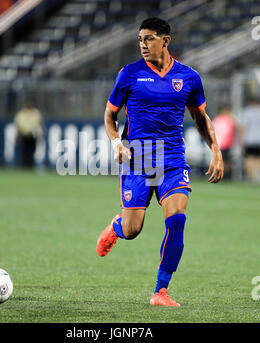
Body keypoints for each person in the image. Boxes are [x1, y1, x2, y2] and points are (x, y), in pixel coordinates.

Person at [96, 17, 224, 307]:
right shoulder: (128, 74)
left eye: (149, 38)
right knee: (133, 230)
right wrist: (117, 142)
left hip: (172, 159)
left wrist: (215, 150)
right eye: (140, 39)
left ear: (166, 41)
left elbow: (200, 117)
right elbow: (109, 115)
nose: (143, 44)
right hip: (137, 159)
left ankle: (160, 291)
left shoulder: (189, 77)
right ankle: (117, 227)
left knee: (177, 219)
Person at [14, 102, 44, 168]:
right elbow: (18, 125)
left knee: (32, 151)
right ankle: (24, 165)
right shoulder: (21, 113)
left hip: (33, 135)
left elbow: (39, 124)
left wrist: (40, 135)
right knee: (24, 151)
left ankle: (30, 165)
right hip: (24, 135)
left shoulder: (36, 113)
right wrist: (18, 134)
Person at [212, 106, 236, 179]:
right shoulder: (228, 120)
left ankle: (224, 175)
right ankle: (224, 175)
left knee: (224, 161)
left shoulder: (217, 120)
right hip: (224, 143)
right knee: (225, 161)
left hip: (221, 144)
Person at [240, 98, 260, 182]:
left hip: (249, 139)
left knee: (249, 159)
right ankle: (257, 175)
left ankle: (251, 177)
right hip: (258, 139)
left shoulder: (247, 112)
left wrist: (241, 139)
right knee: (258, 158)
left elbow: (243, 127)